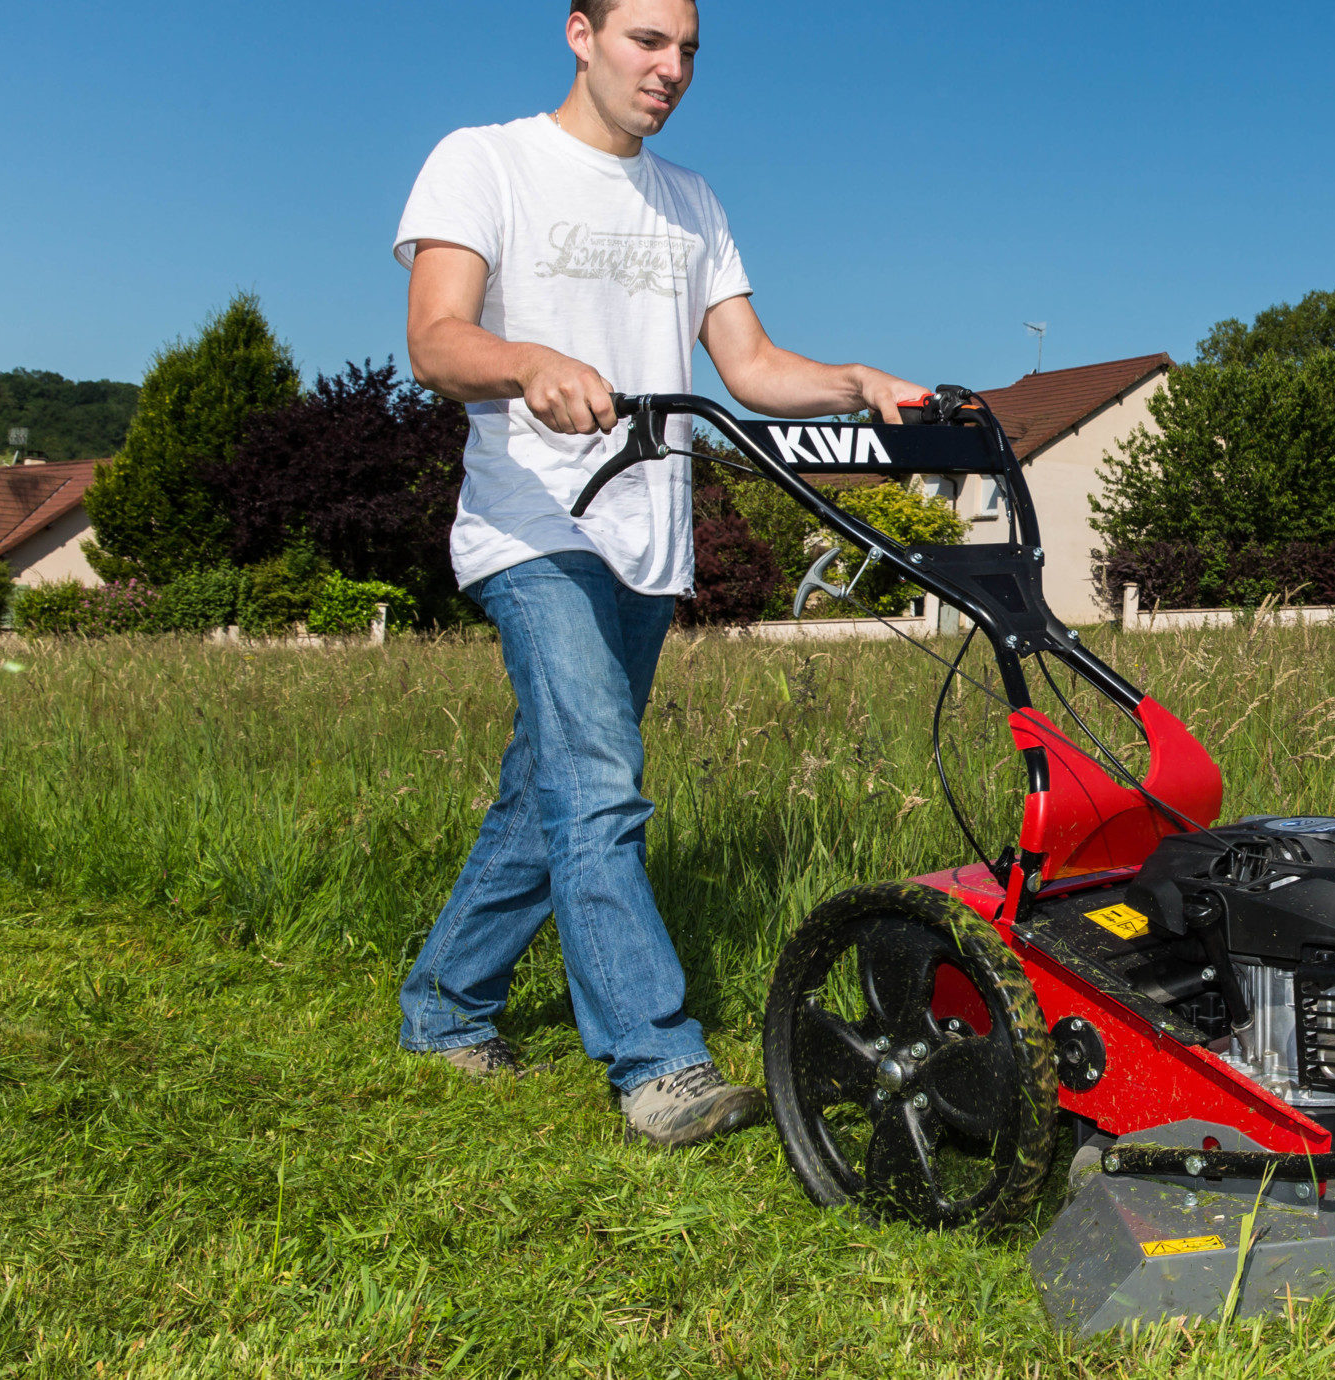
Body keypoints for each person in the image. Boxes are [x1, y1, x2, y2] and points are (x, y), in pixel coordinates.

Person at [391, 0, 926, 1148]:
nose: (671, 68)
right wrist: (526, 360)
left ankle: (444, 1005)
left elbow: (752, 366)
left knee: (552, 793)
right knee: (597, 783)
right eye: (647, 40)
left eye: (688, 50)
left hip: (647, 538)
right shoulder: (484, 160)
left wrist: (857, 383)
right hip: (533, 525)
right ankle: (657, 1062)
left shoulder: (693, 204)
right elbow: (435, 337)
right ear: (579, 33)